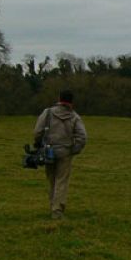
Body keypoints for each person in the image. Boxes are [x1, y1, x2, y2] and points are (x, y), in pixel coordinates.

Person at [33, 89, 87, 220]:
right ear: (71, 102)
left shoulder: (48, 112)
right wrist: (74, 150)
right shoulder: (74, 116)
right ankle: (57, 210)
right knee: (61, 181)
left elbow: (37, 131)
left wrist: (39, 144)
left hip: (48, 151)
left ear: (59, 99)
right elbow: (82, 136)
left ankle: (53, 206)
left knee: (51, 180)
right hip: (65, 152)